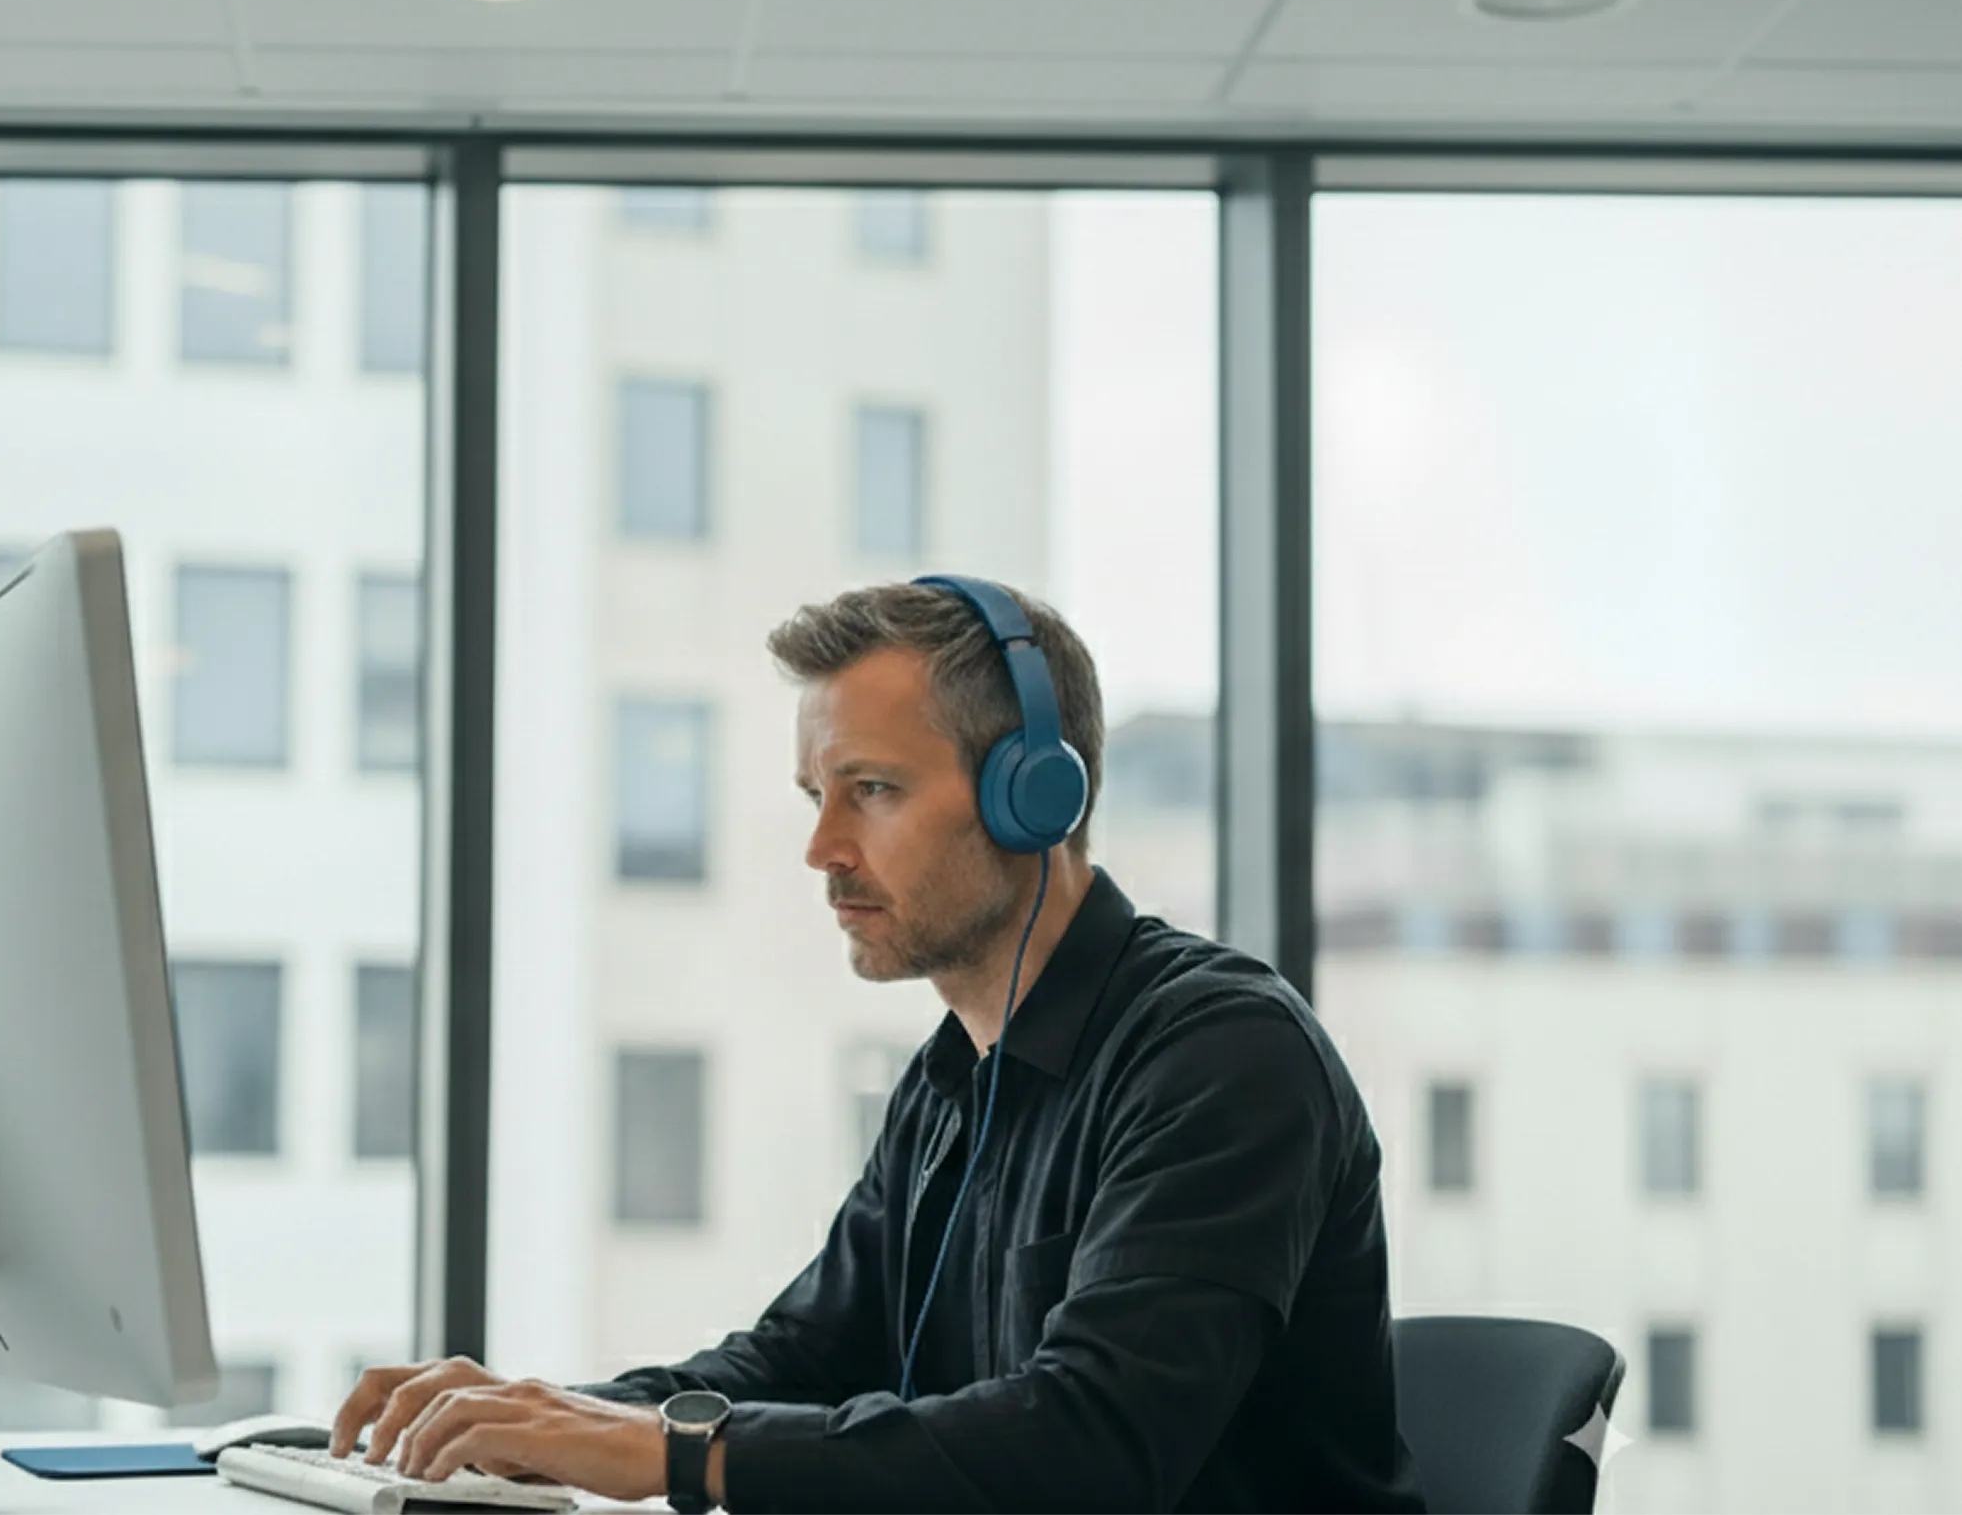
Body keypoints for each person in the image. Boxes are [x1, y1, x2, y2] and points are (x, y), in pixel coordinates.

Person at [329, 578, 1428, 1514]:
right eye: (817, 796)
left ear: (1031, 799)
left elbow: (1096, 1443)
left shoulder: (1223, 1056)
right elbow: (800, 1360)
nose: (821, 848)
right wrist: (540, 1418)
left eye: (873, 790)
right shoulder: (954, 1076)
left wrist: (660, 1454)